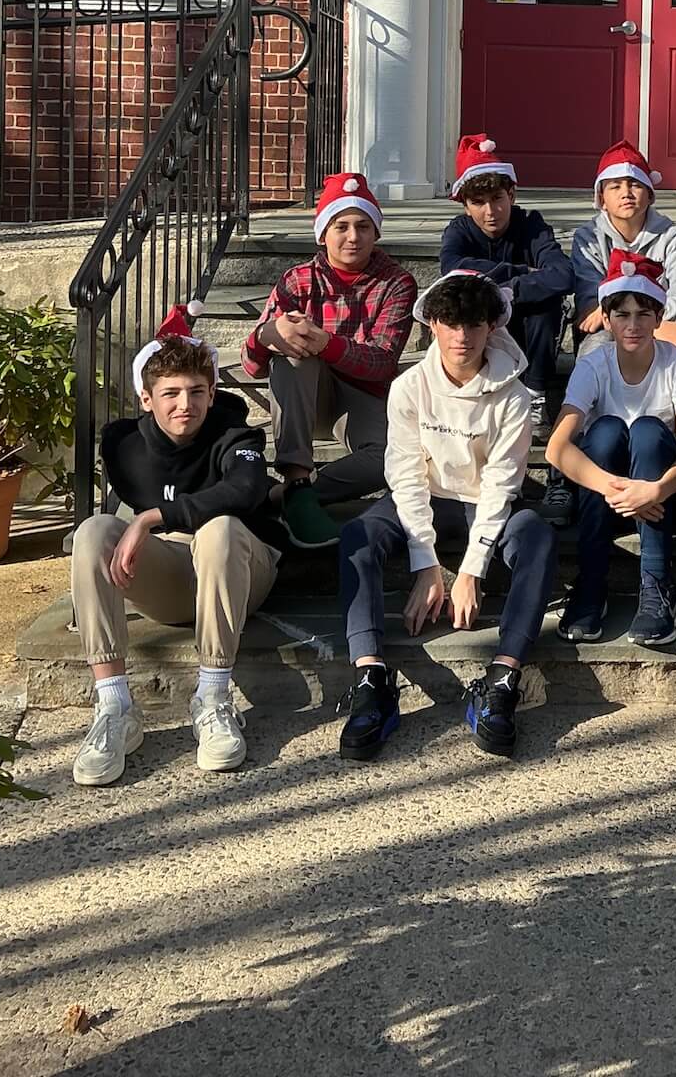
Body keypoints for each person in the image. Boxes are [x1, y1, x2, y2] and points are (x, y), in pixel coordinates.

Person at [335, 270, 558, 762]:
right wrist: (426, 563)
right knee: (359, 534)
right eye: (451, 323)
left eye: (474, 324)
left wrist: (472, 571)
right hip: (425, 498)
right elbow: (405, 473)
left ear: (491, 328)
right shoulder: (409, 387)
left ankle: (502, 679)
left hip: (486, 503)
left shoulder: (515, 398)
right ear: (431, 324)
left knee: (536, 535)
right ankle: (370, 678)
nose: (462, 337)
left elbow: (503, 484)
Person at [70, 301, 281, 785]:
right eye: (170, 394)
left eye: (197, 392)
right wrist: (144, 525)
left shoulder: (235, 432)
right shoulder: (123, 444)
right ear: (146, 398)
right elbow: (130, 508)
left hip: (240, 569)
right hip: (171, 574)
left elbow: (245, 490)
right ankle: (115, 708)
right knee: (94, 532)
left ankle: (213, 698)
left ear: (212, 394)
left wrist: (152, 518)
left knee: (219, 528)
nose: (185, 404)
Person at [242, 172, 417, 549]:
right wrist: (265, 336)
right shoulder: (297, 280)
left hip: (363, 396)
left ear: (376, 233)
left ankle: (292, 493)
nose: (353, 237)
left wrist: (325, 343)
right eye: (341, 226)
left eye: (363, 226)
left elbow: (383, 363)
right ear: (323, 234)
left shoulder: (397, 283)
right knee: (292, 355)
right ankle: (295, 471)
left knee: (396, 456)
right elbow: (252, 366)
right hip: (308, 396)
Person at [548, 252, 676, 648]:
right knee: (604, 431)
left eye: (643, 313)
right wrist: (612, 487)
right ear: (606, 318)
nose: (632, 325)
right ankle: (592, 580)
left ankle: (656, 582)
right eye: (621, 314)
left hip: (663, 493)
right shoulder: (594, 364)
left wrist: (654, 490)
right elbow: (556, 448)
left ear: (659, 317)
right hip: (609, 495)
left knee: (650, 431)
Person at [561, 139, 676, 526]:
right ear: (601, 197)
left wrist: (663, 322)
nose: (626, 193)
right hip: (611, 330)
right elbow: (591, 307)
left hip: (648, 324)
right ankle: (571, 466)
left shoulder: (673, 237)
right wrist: (637, 315)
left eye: (635, 184)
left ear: (650, 192)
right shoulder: (588, 237)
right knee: (593, 345)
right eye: (615, 186)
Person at [439, 131, 573, 437]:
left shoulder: (531, 225)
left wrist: (510, 291)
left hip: (531, 333)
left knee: (546, 303)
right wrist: (520, 271)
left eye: (498, 199)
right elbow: (452, 268)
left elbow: (563, 274)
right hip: (485, 331)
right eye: (479, 203)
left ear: (511, 196)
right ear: (465, 205)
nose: (490, 211)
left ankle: (536, 397)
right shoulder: (459, 232)